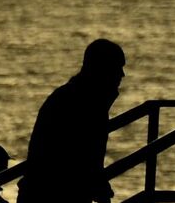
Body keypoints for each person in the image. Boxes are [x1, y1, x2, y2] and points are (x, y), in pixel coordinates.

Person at [19, 39, 125, 203]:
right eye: (117, 68)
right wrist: (98, 185)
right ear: (103, 69)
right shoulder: (83, 104)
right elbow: (80, 156)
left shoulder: (77, 98)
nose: (122, 75)